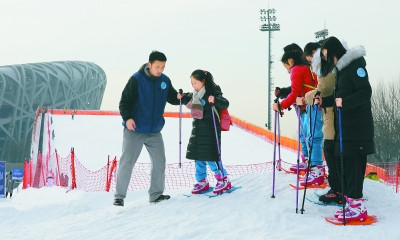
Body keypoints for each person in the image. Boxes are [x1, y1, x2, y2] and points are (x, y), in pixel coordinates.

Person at [317, 36, 375, 221]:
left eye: (327, 55)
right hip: (346, 130)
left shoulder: (355, 66)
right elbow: (338, 100)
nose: (327, 60)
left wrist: (346, 102)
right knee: (348, 170)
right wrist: (324, 101)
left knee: (356, 169)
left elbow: (365, 92)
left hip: (358, 130)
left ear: (335, 52)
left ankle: (359, 209)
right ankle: (351, 205)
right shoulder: (342, 71)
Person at [113, 51, 181, 206]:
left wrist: (182, 97)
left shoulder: (164, 80)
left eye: (163, 67)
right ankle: (119, 197)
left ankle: (156, 195)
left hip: (154, 131)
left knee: (159, 162)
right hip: (135, 129)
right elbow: (124, 102)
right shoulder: (136, 79)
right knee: (127, 162)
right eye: (157, 66)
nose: (160, 70)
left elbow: (172, 97)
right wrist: (128, 118)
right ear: (149, 64)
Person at [273, 43, 324, 187]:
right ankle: (311, 164)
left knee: (312, 137)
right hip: (313, 105)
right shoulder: (308, 67)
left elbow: (295, 92)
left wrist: (281, 105)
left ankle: (316, 168)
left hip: (309, 106)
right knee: (310, 136)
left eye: (286, 67)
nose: (288, 71)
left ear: (290, 61)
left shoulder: (296, 69)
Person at [302, 42, 342, 204]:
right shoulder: (328, 71)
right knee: (330, 150)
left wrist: (306, 98)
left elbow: (321, 91)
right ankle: (337, 188)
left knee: (330, 151)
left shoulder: (326, 73)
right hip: (330, 116)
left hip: (332, 118)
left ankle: (337, 189)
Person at [180, 70, 231, 194]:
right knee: (198, 156)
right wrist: (181, 97)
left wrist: (215, 100)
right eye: (192, 83)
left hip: (211, 130)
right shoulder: (194, 95)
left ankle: (223, 179)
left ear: (203, 81)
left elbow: (225, 103)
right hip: (197, 130)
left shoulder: (213, 92)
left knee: (211, 155)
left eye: (195, 83)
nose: (193, 86)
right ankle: (202, 180)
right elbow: (187, 100)